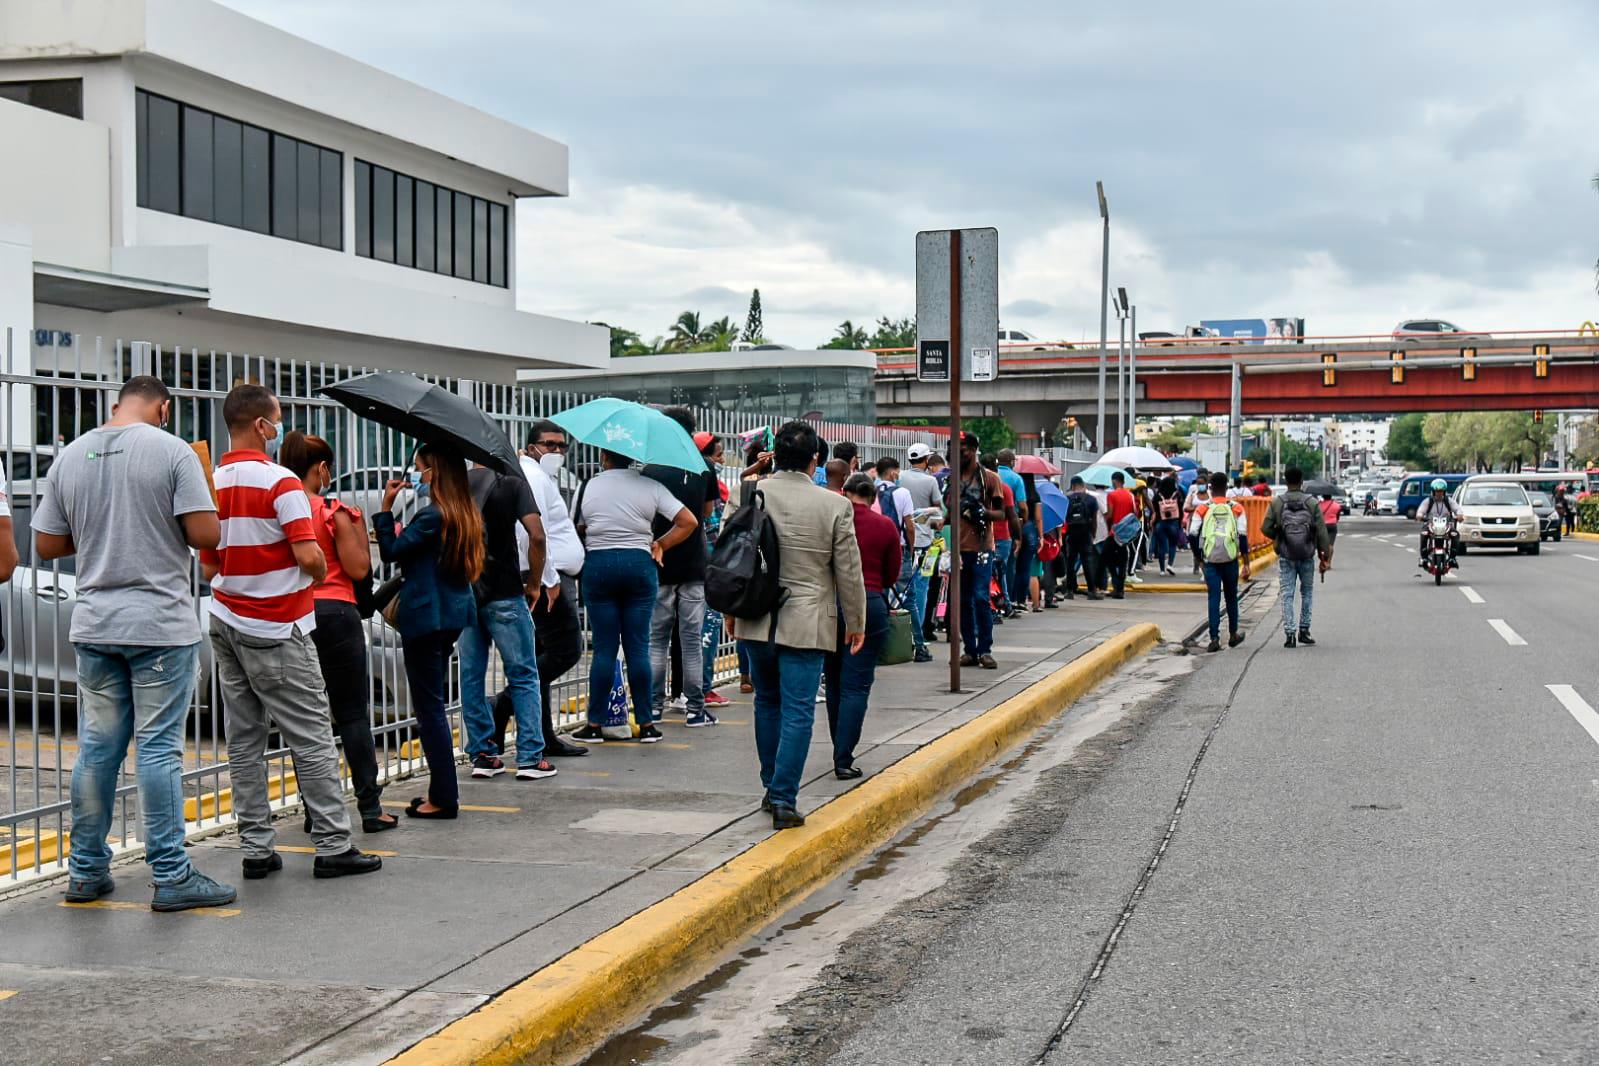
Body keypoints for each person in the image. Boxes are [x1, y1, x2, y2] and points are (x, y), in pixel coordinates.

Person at [33, 375, 235, 911]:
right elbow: (206, 536)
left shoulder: (71, 456)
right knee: (159, 749)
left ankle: (86, 870)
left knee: (97, 750)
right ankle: (171, 874)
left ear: (116, 403)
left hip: (96, 623)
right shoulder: (173, 452)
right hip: (158, 626)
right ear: (163, 408)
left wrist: (99, 531)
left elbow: (47, 543)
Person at [202, 384, 382, 878]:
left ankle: (256, 850)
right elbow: (309, 557)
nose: (280, 427)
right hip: (278, 623)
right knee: (312, 736)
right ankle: (333, 845)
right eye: (277, 419)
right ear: (262, 426)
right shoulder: (281, 483)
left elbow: (208, 565)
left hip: (226, 619)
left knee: (245, 741)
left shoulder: (212, 481)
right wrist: (316, 568)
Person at [734, 421, 866, 829]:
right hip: (809, 621)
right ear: (816, 459)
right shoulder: (835, 505)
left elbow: (730, 560)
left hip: (756, 617)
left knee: (766, 703)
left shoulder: (748, 494)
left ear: (774, 455)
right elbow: (848, 571)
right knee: (797, 711)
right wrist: (856, 620)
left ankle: (770, 785)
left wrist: (729, 613)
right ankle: (784, 798)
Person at [280, 432, 397, 833]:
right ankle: (370, 808)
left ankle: (314, 811)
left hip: (296, 614)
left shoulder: (281, 509)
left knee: (304, 719)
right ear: (322, 469)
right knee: (351, 714)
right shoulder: (334, 511)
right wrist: (359, 531)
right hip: (337, 613)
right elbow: (359, 568)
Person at [375, 442, 482, 819]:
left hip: (426, 617)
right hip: (451, 614)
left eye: (421, 468)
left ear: (434, 472)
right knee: (433, 704)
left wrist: (386, 507)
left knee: (429, 709)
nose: (418, 475)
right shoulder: (464, 513)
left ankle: (444, 797)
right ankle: (442, 792)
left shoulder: (432, 515)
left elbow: (390, 551)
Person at [571, 450, 698, 744]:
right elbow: (688, 521)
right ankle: (647, 724)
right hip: (639, 564)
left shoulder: (587, 486)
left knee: (604, 649)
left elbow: (575, 527)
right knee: (638, 648)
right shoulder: (650, 486)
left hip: (599, 564)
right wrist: (661, 544)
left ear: (604, 457)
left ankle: (594, 725)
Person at [459, 457, 552, 780]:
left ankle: (482, 754)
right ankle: (530, 758)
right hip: (506, 592)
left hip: (467, 593)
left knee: (471, 676)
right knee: (523, 674)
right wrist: (535, 583)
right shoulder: (513, 483)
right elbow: (537, 536)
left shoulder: (457, 484)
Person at [503, 420, 589, 759]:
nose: (556, 451)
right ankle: (503, 704)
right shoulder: (533, 476)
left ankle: (542, 734)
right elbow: (532, 533)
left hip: (546, 576)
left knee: (542, 655)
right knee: (566, 650)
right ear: (531, 447)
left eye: (561, 446)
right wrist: (547, 580)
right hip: (544, 579)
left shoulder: (541, 476)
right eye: (549, 444)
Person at [642, 407, 721, 728]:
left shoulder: (651, 469)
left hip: (659, 560)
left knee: (656, 639)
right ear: (691, 430)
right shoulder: (704, 467)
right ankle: (695, 710)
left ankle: (654, 707)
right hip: (694, 563)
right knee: (690, 640)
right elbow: (707, 512)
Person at [827, 475, 901, 779]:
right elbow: (892, 574)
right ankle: (843, 757)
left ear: (844, 493)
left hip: (831, 603)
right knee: (855, 685)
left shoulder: (832, 521)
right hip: (870, 602)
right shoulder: (885, 526)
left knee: (833, 680)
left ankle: (838, 745)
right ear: (873, 498)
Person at [1261, 466, 1331, 649]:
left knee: (1287, 594)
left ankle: (1290, 634)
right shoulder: (1312, 503)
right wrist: (1324, 555)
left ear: (1286, 481)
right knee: (1307, 592)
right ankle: (1304, 630)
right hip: (1307, 554)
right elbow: (1322, 532)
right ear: (1302, 482)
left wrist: (1280, 536)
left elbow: (1265, 528)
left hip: (1286, 554)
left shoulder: (1277, 502)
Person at [954, 432, 1006, 668]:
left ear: (974, 451)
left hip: (983, 547)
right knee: (963, 600)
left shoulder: (990, 479)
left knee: (981, 597)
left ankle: (985, 649)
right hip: (959, 548)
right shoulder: (953, 479)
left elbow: (1001, 513)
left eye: (963, 450)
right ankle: (970, 650)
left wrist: (982, 513)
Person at [695, 432, 733, 709]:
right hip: (711, 564)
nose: (722, 461)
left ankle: (692, 688)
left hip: (693, 564)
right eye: (718, 455)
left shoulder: (687, 481)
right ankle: (703, 688)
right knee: (708, 626)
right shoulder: (711, 486)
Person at [1195, 472, 1251, 653]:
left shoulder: (1202, 508)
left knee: (1214, 597)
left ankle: (1214, 638)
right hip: (1230, 559)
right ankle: (1233, 634)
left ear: (1210, 488)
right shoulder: (1237, 508)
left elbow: (1192, 533)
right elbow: (1242, 536)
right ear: (1227, 487)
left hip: (1210, 560)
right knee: (1231, 597)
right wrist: (1246, 562)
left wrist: (1199, 558)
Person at [897, 443, 942, 662]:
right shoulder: (931, 481)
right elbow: (938, 513)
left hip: (904, 541)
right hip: (925, 543)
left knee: (904, 590)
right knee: (922, 588)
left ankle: (904, 633)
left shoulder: (900, 478)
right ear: (926, 460)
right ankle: (919, 634)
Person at [982, 454, 1021, 620]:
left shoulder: (976, 487)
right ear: (996, 468)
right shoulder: (1004, 488)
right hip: (1003, 536)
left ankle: (993, 608)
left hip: (982, 536)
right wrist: (1017, 537)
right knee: (1000, 573)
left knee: (986, 574)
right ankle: (1003, 606)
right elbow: (1012, 515)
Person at [995, 450, 1031, 612]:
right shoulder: (1016, 479)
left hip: (989, 524)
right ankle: (1007, 601)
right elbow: (1022, 506)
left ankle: (994, 601)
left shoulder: (990, 476)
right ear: (1011, 462)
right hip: (1008, 524)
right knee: (1008, 566)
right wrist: (1024, 522)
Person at [1062, 475, 1101, 600]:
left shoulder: (1067, 499)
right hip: (1086, 532)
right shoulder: (1091, 499)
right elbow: (1094, 519)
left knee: (1070, 561)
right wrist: (1093, 533)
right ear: (1083, 485)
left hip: (1071, 532)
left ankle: (1069, 591)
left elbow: (1064, 518)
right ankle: (1092, 591)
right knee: (1087, 561)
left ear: (1073, 486)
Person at [1101, 471, 1137, 598]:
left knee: (1106, 558)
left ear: (1114, 481)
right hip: (1126, 534)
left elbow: (1110, 515)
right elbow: (1135, 513)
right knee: (1123, 560)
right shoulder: (1130, 495)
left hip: (1114, 532)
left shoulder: (1112, 495)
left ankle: (1116, 585)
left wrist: (1105, 520)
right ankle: (1120, 589)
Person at [1415, 478, 1463, 570]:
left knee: (1455, 534)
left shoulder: (1448, 501)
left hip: (1446, 525)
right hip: (1430, 524)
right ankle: (1424, 558)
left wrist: (1459, 515)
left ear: (1444, 492)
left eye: (1441, 491)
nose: (1439, 493)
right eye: (1437, 491)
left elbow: (1457, 508)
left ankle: (1452, 558)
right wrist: (1419, 515)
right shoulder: (1428, 501)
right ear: (1433, 492)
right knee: (1424, 534)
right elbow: (1421, 510)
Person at [1151, 474, 1184, 575]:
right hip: (1174, 522)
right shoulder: (1177, 494)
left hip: (1160, 522)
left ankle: (1162, 570)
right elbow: (1181, 509)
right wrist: (1180, 522)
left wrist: (1153, 522)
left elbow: (1155, 509)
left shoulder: (1158, 495)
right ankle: (1170, 565)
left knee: (1161, 546)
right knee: (1172, 545)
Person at [1184, 477, 1212, 574]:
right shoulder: (1192, 495)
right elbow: (1185, 508)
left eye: (1202, 483)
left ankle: (1205, 567)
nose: (1200, 486)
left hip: (1208, 524)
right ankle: (1197, 564)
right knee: (1195, 545)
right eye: (1198, 484)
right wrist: (1197, 509)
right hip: (1194, 524)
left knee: (1206, 546)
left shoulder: (1211, 495)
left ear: (1206, 483)